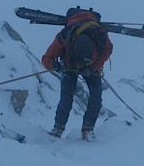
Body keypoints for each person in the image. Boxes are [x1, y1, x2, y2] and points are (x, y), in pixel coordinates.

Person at [42, 8, 113, 141]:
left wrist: (93, 66)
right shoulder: (63, 38)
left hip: (92, 66)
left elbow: (108, 50)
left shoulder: (100, 36)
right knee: (68, 98)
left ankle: (87, 129)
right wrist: (54, 66)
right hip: (70, 65)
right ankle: (59, 127)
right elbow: (47, 59)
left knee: (95, 98)